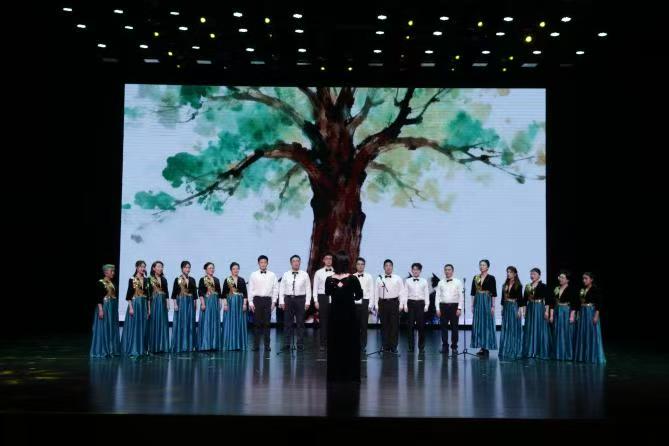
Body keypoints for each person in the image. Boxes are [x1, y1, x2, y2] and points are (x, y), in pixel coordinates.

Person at [325, 252, 363, 382]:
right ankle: (350, 373)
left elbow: (328, 292)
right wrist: (349, 296)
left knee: (335, 342)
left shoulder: (329, 279)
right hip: (349, 314)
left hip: (335, 314)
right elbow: (359, 295)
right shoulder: (353, 279)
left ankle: (335, 373)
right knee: (350, 342)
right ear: (347, 263)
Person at [278, 255, 312, 352]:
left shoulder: (305, 274)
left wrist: (307, 302)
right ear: (291, 263)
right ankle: (287, 344)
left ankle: (300, 344)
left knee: (300, 323)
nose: (296, 263)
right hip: (288, 299)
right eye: (294, 261)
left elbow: (308, 289)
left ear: (300, 262)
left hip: (300, 299)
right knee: (287, 323)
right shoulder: (286, 274)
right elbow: (282, 289)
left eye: (298, 261)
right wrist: (281, 301)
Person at [247, 255, 278, 352]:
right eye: (261, 262)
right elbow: (250, 289)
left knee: (267, 324)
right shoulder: (253, 274)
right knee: (256, 324)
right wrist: (250, 302)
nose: (263, 264)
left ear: (267, 263)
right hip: (257, 300)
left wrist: (274, 302)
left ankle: (267, 345)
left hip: (268, 300)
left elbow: (275, 289)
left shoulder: (272, 275)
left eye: (265, 262)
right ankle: (256, 345)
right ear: (258, 263)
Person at [573, 272, 606, 363]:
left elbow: (599, 303)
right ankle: (583, 356)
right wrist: (578, 313)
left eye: (586, 278)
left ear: (591, 279)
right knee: (583, 332)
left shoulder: (595, 289)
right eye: (583, 278)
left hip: (591, 312)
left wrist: (596, 315)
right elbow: (578, 302)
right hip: (583, 312)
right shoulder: (582, 289)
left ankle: (592, 356)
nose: (584, 280)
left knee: (591, 333)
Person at [374, 259, 405, 354]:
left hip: (394, 303)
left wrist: (401, 304)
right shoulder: (379, 279)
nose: (388, 267)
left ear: (392, 267)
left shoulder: (398, 278)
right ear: (384, 267)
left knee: (394, 326)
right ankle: (385, 346)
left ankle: (394, 347)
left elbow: (402, 292)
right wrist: (376, 305)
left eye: (390, 265)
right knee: (384, 326)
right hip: (382, 303)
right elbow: (376, 293)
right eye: (386, 265)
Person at [90, 264, 121, 357]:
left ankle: (111, 350)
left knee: (111, 327)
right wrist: (100, 309)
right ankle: (102, 350)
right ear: (106, 272)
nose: (113, 273)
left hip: (112, 307)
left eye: (113, 271)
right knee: (104, 327)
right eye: (111, 271)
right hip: (105, 307)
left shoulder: (112, 283)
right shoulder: (100, 283)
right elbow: (99, 297)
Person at [122, 260, 150, 356]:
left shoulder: (146, 280)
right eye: (141, 266)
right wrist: (131, 307)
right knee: (135, 326)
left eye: (144, 267)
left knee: (143, 327)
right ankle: (133, 348)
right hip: (135, 304)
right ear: (137, 267)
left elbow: (148, 296)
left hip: (143, 305)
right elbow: (129, 295)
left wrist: (149, 309)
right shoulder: (132, 279)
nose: (143, 268)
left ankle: (142, 349)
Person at [522, 268, 552, 359]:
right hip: (530, 307)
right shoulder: (528, 286)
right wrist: (524, 310)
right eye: (531, 274)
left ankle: (540, 350)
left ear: (539, 275)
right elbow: (524, 300)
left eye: (534, 274)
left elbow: (547, 300)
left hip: (539, 307)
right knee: (530, 327)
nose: (532, 276)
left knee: (539, 327)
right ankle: (530, 350)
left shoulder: (543, 286)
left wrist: (546, 311)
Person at [470, 259, 498, 357]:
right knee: (479, 323)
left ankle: (486, 347)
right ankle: (481, 347)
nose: (481, 266)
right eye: (480, 265)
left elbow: (494, 293)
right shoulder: (476, 277)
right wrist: (472, 305)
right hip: (478, 301)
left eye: (483, 265)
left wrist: (493, 306)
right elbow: (473, 293)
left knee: (486, 323)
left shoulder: (491, 278)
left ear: (487, 267)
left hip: (486, 301)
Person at [435, 264, 463, 356]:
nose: (447, 271)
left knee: (454, 328)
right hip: (443, 306)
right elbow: (437, 296)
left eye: (449, 269)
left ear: (452, 271)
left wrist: (459, 308)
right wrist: (437, 309)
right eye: (446, 270)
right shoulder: (440, 282)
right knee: (443, 328)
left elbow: (461, 296)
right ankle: (445, 346)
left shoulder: (458, 282)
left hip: (454, 306)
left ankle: (454, 347)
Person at [171, 261, 198, 353]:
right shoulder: (178, 279)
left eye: (189, 267)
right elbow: (174, 293)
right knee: (181, 322)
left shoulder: (192, 279)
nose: (188, 269)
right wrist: (175, 304)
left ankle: (189, 345)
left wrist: (195, 304)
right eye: (186, 267)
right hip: (181, 302)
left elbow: (195, 294)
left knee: (190, 322)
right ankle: (180, 345)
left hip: (190, 302)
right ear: (182, 268)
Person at [550, 270, 577, 361]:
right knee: (557, 331)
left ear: (567, 280)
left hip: (566, 311)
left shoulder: (571, 289)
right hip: (557, 311)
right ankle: (558, 353)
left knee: (566, 332)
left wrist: (572, 316)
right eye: (559, 277)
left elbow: (574, 304)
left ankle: (567, 354)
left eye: (562, 277)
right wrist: (551, 315)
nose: (560, 279)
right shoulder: (556, 288)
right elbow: (552, 303)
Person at [221, 262, 249, 351]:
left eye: (237, 268)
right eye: (234, 269)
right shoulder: (227, 279)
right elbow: (224, 294)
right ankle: (229, 344)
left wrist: (244, 304)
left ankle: (239, 344)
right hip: (230, 303)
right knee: (230, 322)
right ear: (231, 270)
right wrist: (225, 304)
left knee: (240, 322)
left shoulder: (242, 280)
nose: (236, 270)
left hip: (240, 303)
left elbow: (245, 293)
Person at [403, 263, 429, 353]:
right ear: (412, 270)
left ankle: (421, 347)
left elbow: (426, 294)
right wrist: (405, 305)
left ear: (420, 271)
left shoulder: (424, 281)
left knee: (421, 326)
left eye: (417, 269)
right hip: (410, 304)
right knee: (410, 327)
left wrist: (427, 305)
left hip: (421, 304)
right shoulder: (407, 281)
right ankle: (411, 347)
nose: (415, 271)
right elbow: (405, 293)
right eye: (414, 269)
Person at [499, 266, 524, 360]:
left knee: (514, 328)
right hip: (506, 306)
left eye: (510, 272)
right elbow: (502, 298)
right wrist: (502, 308)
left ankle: (514, 349)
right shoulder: (505, 284)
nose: (508, 274)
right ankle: (506, 349)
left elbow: (520, 299)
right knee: (506, 327)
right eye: (507, 272)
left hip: (514, 306)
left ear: (515, 274)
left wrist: (519, 310)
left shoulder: (518, 285)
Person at [197, 262, 222, 352]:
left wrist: (220, 303)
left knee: (214, 321)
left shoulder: (216, 280)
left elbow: (219, 293)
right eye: (210, 268)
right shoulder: (202, 279)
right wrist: (203, 303)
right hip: (207, 302)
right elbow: (200, 293)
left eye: (213, 268)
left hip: (215, 302)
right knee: (206, 322)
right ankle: (205, 344)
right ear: (206, 270)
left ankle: (214, 344)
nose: (212, 269)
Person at [313, 252, 335, 351]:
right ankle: (323, 343)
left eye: (330, 259)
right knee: (323, 322)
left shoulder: (337, 272)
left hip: (334, 298)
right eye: (327, 258)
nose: (329, 260)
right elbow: (315, 288)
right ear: (323, 260)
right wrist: (315, 300)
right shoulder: (318, 272)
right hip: (322, 297)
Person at [147, 260, 170, 353]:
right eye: (158, 266)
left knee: (163, 323)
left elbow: (167, 292)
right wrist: (149, 308)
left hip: (162, 302)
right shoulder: (149, 279)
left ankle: (162, 346)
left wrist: (168, 303)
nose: (160, 268)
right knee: (154, 322)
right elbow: (148, 294)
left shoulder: (164, 279)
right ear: (154, 268)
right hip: (154, 302)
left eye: (161, 267)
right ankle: (154, 346)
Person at [353, 257, 374, 353]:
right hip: (354, 303)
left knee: (364, 326)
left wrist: (370, 305)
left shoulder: (369, 277)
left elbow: (372, 291)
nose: (360, 266)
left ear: (364, 266)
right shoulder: (352, 277)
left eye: (362, 264)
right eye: (358, 264)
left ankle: (363, 346)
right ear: (356, 265)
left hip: (365, 302)